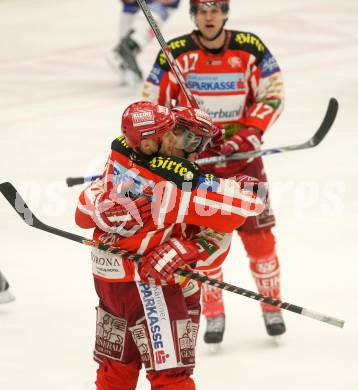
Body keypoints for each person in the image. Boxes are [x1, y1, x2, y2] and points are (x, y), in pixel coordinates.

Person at [75, 101, 264, 389]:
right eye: (176, 134)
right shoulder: (177, 179)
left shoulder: (120, 151)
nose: (179, 142)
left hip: (108, 281)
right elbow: (245, 206)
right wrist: (240, 183)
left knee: (116, 369)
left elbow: (82, 214)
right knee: (171, 378)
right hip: (154, 287)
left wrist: (98, 206)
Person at [141, 0, 286, 346]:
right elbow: (152, 102)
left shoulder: (250, 47)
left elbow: (273, 92)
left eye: (215, 9)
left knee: (260, 237)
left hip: (246, 162)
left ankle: (272, 304)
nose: (209, 16)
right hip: (196, 169)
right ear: (193, 14)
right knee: (203, 243)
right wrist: (180, 144)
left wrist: (249, 133)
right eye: (202, 10)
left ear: (225, 13)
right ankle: (213, 310)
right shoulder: (174, 52)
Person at [107, 0, 181, 85]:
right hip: (132, 7)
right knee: (127, 38)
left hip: (156, 7)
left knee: (149, 21)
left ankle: (128, 48)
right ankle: (126, 50)